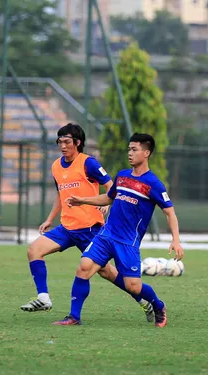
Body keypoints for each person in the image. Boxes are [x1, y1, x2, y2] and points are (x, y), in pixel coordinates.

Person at [20, 123, 154, 322]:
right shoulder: (56, 166)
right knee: (34, 250)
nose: (62, 146)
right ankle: (43, 298)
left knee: (107, 272)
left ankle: (144, 301)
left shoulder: (88, 163)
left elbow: (111, 186)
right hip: (66, 228)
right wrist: (50, 218)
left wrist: (107, 205)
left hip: (90, 228)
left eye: (67, 142)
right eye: (60, 142)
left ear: (78, 142)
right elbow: (61, 194)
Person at [56, 133, 184, 327]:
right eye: (129, 149)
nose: (130, 153)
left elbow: (170, 212)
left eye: (134, 149)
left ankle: (158, 305)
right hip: (106, 235)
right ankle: (74, 317)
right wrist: (82, 200)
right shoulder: (122, 176)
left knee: (133, 286)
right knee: (84, 267)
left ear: (146, 153)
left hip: (127, 242)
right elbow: (108, 198)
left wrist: (176, 240)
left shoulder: (153, 184)